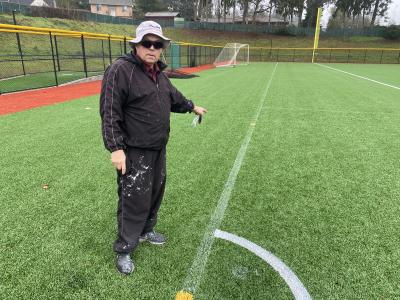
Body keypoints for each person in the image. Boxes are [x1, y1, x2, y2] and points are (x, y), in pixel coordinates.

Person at [99, 21, 207, 275]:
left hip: (158, 147)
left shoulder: (158, 73)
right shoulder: (120, 70)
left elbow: (173, 97)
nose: (152, 48)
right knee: (133, 197)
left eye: (157, 44)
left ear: (162, 48)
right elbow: (109, 111)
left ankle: (147, 231)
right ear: (136, 45)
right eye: (146, 43)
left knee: (154, 193)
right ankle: (125, 247)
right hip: (133, 150)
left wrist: (192, 106)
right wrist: (115, 148)